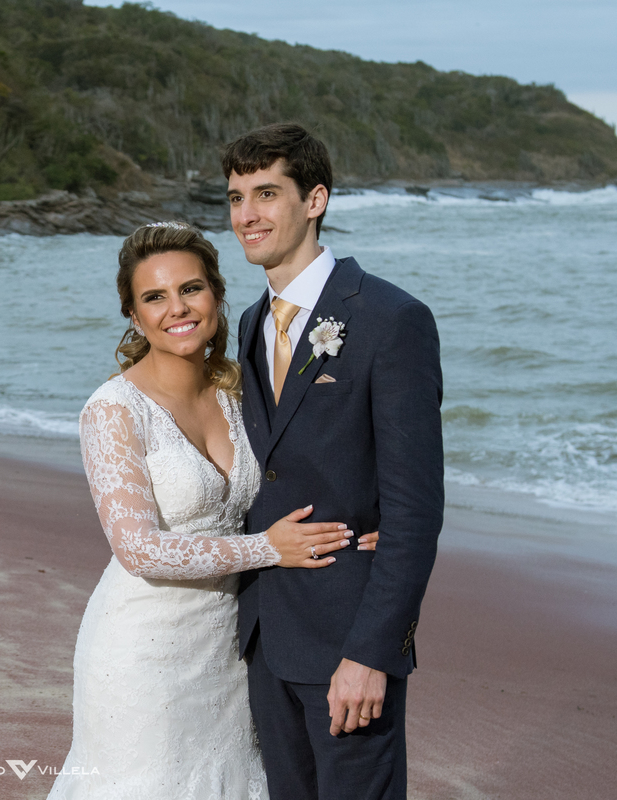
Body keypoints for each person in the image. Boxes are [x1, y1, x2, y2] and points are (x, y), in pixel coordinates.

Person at [46, 221, 378, 799]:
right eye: (155, 297)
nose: (178, 308)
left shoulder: (239, 393)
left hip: (232, 648)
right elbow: (138, 548)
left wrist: (370, 523)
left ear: (218, 297)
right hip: (141, 651)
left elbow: (304, 470)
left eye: (191, 289)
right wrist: (269, 548)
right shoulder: (113, 411)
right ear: (132, 313)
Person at [226, 123, 443, 800]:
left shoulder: (391, 318)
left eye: (266, 193)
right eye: (235, 198)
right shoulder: (251, 322)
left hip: (348, 638)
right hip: (267, 633)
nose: (246, 215)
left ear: (314, 199)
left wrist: (373, 653)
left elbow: (414, 508)